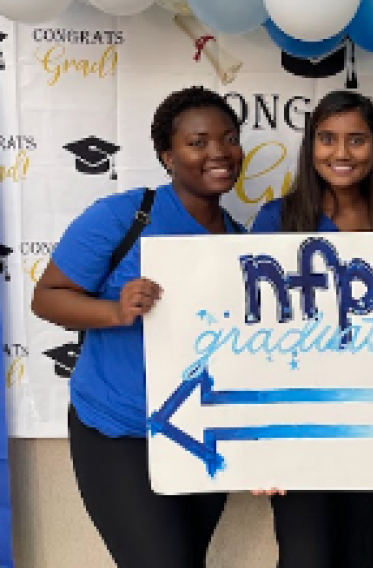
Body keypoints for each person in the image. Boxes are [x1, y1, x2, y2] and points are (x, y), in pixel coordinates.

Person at [31, 86, 244, 567]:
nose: (218, 153)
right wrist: (116, 311)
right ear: (167, 156)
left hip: (195, 431)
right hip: (118, 432)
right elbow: (46, 298)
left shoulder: (239, 239)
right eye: (198, 142)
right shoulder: (124, 215)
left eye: (228, 138)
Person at [251, 90, 373, 568]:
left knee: (363, 557)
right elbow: (251, 337)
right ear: (310, 146)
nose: (341, 153)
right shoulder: (277, 220)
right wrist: (262, 440)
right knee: (306, 558)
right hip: (298, 426)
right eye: (327, 139)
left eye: (356, 140)